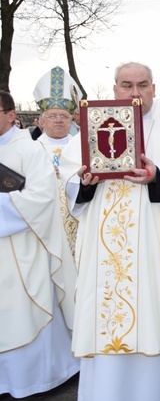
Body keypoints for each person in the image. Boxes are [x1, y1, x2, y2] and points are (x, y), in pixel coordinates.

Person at [60, 61, 160, 401]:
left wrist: (158, 175)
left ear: (154, 87)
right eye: (126, 85)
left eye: (142, 85)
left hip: (155, 247)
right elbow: (69, 178)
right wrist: (82, 183)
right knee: (104, 313)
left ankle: (152, 397)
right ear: (113, 89)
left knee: (153, 310)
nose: (134, 93)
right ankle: (105, 400)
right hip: (104, 252)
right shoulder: (91, 124)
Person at [0, 90, 78, 398]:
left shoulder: (29, 151)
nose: (58, 121)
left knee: (23, 309)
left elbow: (41, 198)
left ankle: (37, 379)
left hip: (22, 247)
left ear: (10, 114)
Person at [34, 67, 80, 262]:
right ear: (42, 120)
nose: (59, 120)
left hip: (78, 224)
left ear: (71, 119)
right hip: (44, 224)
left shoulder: (81, 148)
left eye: (64, 116)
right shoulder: (31, 150)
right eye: (53, 116)